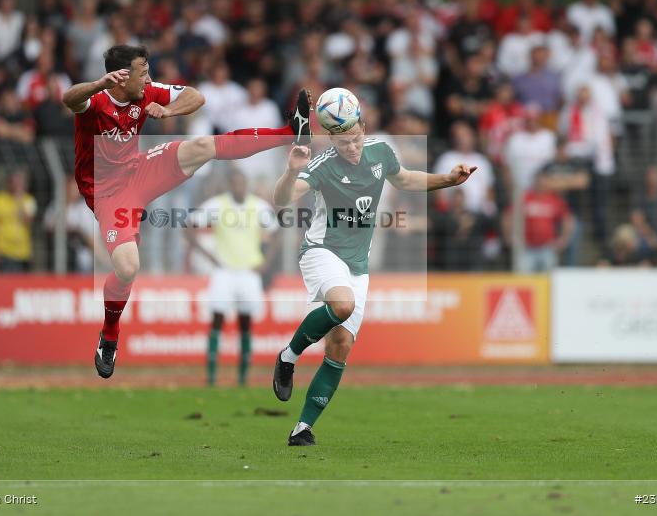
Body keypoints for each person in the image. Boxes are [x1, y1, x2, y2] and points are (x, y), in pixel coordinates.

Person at [61, 44, 312, 380]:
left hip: (138, 171)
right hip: (107, 193)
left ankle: (289, 133)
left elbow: (195, 96)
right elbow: (70, 99)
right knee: (127, 266)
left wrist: (170, 112)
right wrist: (98, 83)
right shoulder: (98, 100)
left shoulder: (146, 91)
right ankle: (109, 333)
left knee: (203, 145)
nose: (148, 77)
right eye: (142, 71)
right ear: (121, 76)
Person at [270, 119, 475, 446]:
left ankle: (302, 428)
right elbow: (282, 199)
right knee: (342, 304)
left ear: (363, 128)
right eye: (342, 143)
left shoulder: (380, 152)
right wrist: (292, 171)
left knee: (340, 347)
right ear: (332, 140)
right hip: (322, 250)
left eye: (355, 139)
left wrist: (449, 180)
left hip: (357, 264)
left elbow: (406, 179)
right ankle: (288, 357)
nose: (351, 148)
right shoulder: (323, 164)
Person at [185, 168, 278, 386]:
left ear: (247, 184)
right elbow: (189, 225)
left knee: (245, 322)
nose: (239, 187)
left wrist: (266, 262)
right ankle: (211, 376)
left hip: (249, 271)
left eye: (242, 183)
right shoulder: (218, 205)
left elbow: (276, 234)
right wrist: (207, 254)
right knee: (217, 319)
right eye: (235, 183)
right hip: (224, 271)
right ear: (229, 185)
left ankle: (243, 378)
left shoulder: (259, 206)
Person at [0, 170, 37, 272]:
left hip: (23, 252)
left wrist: (19, 201)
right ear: (8, 183)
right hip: (4, 252)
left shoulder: (28, 200)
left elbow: (28, 221)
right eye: (15, 182)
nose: (18, 185)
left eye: (21, 183)